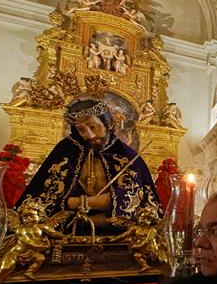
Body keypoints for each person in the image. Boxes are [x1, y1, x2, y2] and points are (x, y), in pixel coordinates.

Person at [16, 96, 160, 229]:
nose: (89, 135)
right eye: (81, 130)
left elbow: (132, 199)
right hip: (66, 230)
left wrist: (77, 202)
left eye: (93, 127)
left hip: (116, 232)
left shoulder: (126, 156)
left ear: (108, 123)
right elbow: (44, 198)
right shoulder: (65, 151)